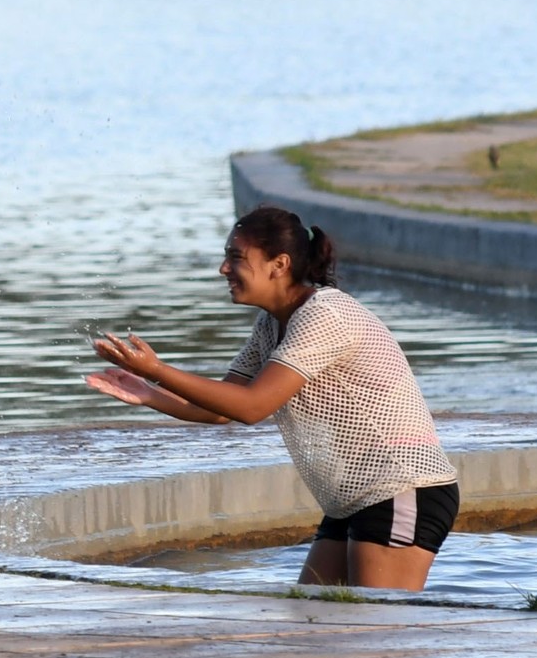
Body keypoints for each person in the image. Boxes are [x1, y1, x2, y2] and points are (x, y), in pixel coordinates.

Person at [85, 205, 460, 591]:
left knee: (381, 636)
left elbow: (253, 407)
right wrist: (148, 392)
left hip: (402, 487)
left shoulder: (325, 315)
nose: (223, 269)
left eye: (235, 257)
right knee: (314, 620)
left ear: (278, 264)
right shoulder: (272, 323)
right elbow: (221, 409)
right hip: (356, 498)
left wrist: (156, 370)